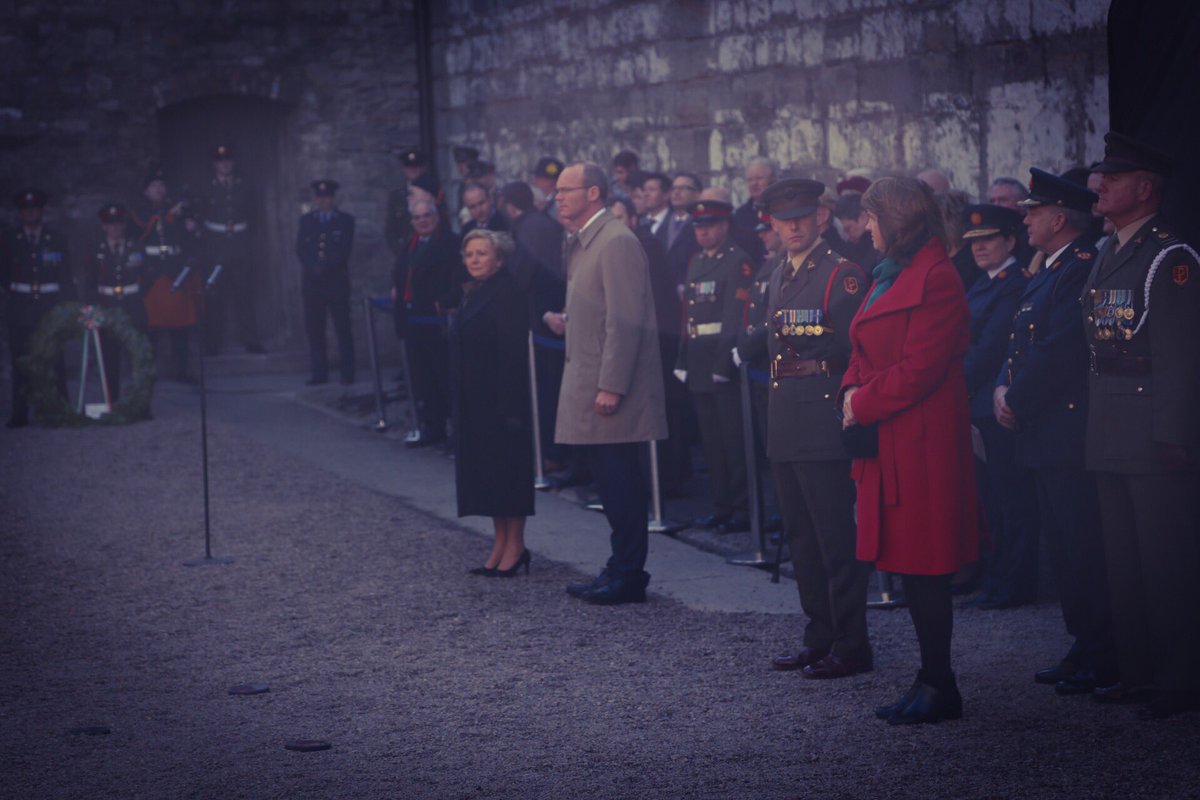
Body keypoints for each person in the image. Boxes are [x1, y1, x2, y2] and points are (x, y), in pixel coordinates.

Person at [840, 176, 979, 724]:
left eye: (872, 217)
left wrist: (861, 401)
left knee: (926, 564)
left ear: (895, 219)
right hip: (890, 434)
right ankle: (929, 678)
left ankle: (940, 682)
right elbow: (861, 345)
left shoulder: (936, 277)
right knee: (909, 563)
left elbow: (923, 367)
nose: (866, 226)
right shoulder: (888, 272)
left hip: (921, 441)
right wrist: (851, 390)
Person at [1081, 132, 1200, 718]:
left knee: (1163, 560)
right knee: (1123, 562)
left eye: (1115, 178)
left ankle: (1180, 678)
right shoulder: (1111, 249)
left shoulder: (1169, 258)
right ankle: (1138, 671)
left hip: (1150, 426)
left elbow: (1181, 355)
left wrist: (1173, 433)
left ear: (1145, 188)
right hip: (1109, 421)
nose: (1100, 185)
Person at [993, 167, 1116, 695]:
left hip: (1064, 429)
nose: (1026, 221)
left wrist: (1016, 399)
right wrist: (1002, 388)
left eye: (1034, 212)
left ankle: (1103, 650)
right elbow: (1019, 341)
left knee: (1082, 545)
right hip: (1042, 431)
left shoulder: (1078, 267)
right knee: (1064, 549)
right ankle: (1083, 642)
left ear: (1060, 218)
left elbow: (1061, 348)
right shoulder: (1050, 268)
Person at [751, 179, 871, 678]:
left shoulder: (842, 274)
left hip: (822, 417)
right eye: (784, 220)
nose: (794, 227)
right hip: (786, 416)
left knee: (834, 536)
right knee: (801, 535)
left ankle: (852, 642)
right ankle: (818, 635)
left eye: (802, 217)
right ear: (773, 225)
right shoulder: (779, 273)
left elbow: (853, 351)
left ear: (820, 217)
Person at [554, 161, 667, 605]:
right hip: (591, 378)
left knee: (621, 484)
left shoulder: (616, 241)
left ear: (593, 193)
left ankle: (629, 573)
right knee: (610, 484)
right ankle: (620, 565)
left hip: (609, 387)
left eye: (566, 190)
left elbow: (626, 320)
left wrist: (613, 385)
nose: (558, 198)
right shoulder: (588, 239)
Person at [959, 204, 1037, 610]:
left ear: (1010, 241)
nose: (979, 247)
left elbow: (988, 350)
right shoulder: (982, 283)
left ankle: (1013, 583)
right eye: (974, 241)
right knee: (993, 498)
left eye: (988, 239)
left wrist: (952, 386)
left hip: (995, 402)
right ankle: (998, 578)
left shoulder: (1013, 284)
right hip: (977, 404)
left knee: (1010, 499)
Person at [451, 229, 535, 577]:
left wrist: (510, 408)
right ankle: (500, 543)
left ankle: (516, 545)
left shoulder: (507, 292)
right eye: (469, 254)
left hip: (502, 400)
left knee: (507, 473)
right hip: (475, 400)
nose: (474, 260)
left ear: (499, 259)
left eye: (482, 254)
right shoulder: (476, 292)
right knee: (488, 475)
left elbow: (512, 354)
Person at [674, 200, 752, 533]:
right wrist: (682, 358)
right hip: (698, 361)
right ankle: (722, 505)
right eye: (698, 226)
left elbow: (734, 317)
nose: (703, 232)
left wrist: (723, 362)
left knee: (733, 441)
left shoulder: (737, 261)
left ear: (724, 226)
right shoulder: (697, 261)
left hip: (722, 362)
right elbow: (689, 316)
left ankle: (743, 508)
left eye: (710, 225)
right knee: (712, 442)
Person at [609, 195, 688, 498]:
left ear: (632, 219)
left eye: (619, 218)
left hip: (657, 342)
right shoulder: (623, 245)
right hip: (644, 339)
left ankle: (664, 484)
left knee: (662, 413)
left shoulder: (645, 245)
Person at [1, 188, 73, 427]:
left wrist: (69, 306)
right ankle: (20, 413)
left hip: (49, 304)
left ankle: (61, 409)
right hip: (20, 305)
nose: (31, 213)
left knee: (55, 357)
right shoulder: (9, 239)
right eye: (26, 209)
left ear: (42, 211)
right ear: (21, 213)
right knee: (21, 359)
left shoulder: (57, 238)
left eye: (35, 209)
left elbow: (66, 274)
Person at [392, 198, 460, 446]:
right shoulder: (408, 246)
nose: (423, 221)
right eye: (417, 218)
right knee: (423, 378)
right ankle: (432, 427)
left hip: (437, 321)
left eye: (427, 216)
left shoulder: (450, 243)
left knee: (445, 377)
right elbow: (401, 276)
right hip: (415, 321)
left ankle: (457, 432)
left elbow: (456, 278)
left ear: (436, 217)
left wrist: (446, 302)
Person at [132, 168, 200, 384]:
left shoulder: (178, 208)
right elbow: (142, 231)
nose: (159, 189)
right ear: (146, 191)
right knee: (151, 325)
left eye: (162, 185)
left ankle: (181, 371)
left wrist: (189, 226)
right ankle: (148, 371)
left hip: (175, 270)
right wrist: (170, 215)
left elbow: (188, 235)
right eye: (154, 186)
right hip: (153, 272)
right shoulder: (141, 211)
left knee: (180, 324)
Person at [196, 143, 264, 355]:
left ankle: (251, 341)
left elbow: (255, 216)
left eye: (228, 161)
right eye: (220, 161)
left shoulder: (245, 186)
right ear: (214, 165)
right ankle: (213, 344)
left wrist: (247, 240)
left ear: (233, 163)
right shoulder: (205, 187)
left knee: (244, 294)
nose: (225, 164)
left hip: (240, 246)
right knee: (214, 296)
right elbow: (199, 216)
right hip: (214, 247)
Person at [83, 204, 148, 402]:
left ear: (124, 225)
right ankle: (111, 402)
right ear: (104, 226)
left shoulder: (136, 246)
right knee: (109, 358)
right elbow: (89, 281)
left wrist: (138, 293)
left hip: (133, 306)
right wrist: (92, 307)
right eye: (110, 224)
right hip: (107, 306)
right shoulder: (96, 249)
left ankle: (140, 403)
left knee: (137, 357)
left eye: (119, 223)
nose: (115, 228)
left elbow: (148, 274)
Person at [295, 180, 355, 386]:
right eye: (320, 197)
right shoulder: (307, 221)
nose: (323, 201)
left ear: (333, 198)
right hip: (313, 283)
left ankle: (348, 372)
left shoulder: (345, 221)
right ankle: (319, 373)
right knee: (315, 330)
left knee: (342, 328)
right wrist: (312, 266)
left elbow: (344, 250)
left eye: (327, 197)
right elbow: (300, 248)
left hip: (336, 282)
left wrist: (325, 267)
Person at [733, 157, 775, 263]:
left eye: (759, 178)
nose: (754, 183)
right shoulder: (739, 215)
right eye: (749, 180)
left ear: (772, 179)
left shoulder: (783, 208)